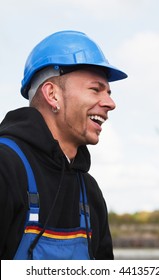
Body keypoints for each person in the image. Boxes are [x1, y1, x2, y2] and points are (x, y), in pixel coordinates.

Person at [0, 30, 127, 260]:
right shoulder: (5, 168)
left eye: (108, 92)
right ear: (52, 94)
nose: (110, 103)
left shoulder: (89, 191)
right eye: (96, 89)